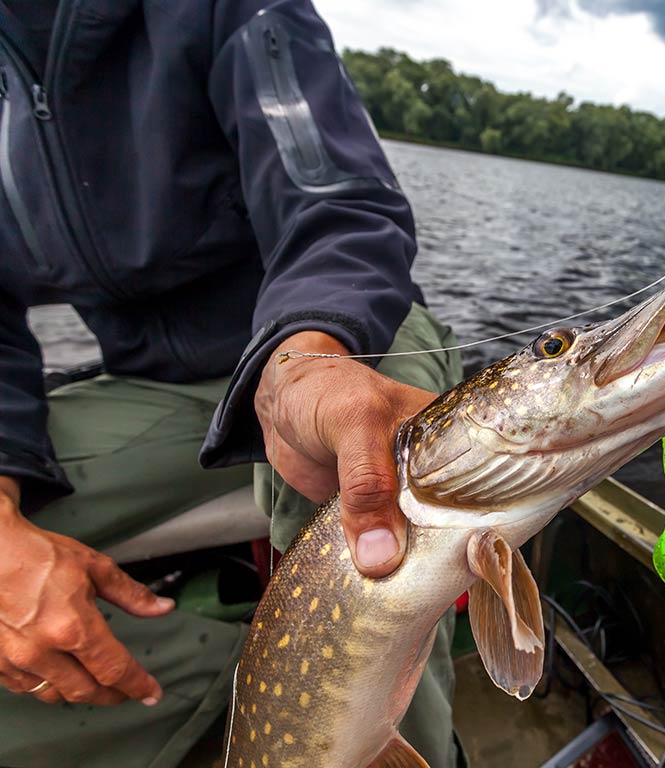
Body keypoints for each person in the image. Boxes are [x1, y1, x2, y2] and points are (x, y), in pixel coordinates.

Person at [0, 1, 463, 765]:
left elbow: (339, 210)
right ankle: (208, 681)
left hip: (336, 337)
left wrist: (305, 356)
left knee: (363, 462)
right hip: (157, 390)